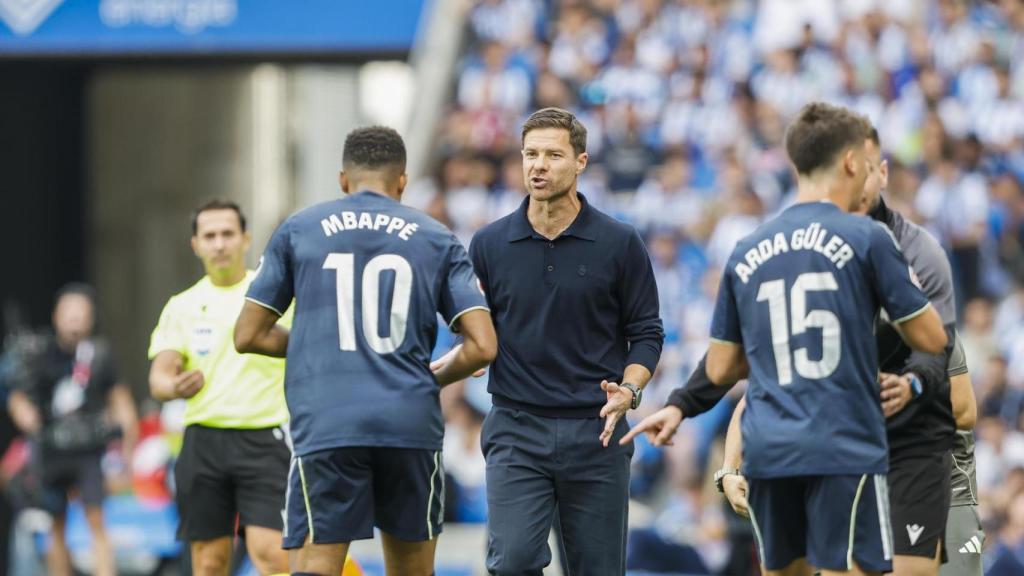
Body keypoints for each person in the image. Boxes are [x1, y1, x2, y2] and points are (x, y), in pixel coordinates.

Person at [626, 127, 983, 576]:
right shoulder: (818, 312)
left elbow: (965, 408)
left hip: (934, 478)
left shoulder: (916, 298)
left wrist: (902, 392)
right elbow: (760, 392)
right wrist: (728, 470)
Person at [234, 126, 496, 576]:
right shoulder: (436, 237)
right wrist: (426, 377)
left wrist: (323, 345)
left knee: (315, 566)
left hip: (329, 422)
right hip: (408, 422)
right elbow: (482, 345)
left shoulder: (299, 229)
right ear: (402, 182)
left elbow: (248, 335)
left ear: (342, 179)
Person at [702, 102, 948, 576]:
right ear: (853, 162)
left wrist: (731, 466)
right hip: (844, 442)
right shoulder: (867, 238)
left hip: (771, 447)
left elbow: (719, 371)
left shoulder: (747, 247)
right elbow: (931, 337)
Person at [437, 107, 664, 575]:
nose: (538, 165)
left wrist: (631, 389)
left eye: (553, 155)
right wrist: (472, 350)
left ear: (580, 162)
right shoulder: (488, 244)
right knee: (513, 562)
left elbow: (646, 331)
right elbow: (474, 326)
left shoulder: (619, 243)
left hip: (597, 431)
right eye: (531, 154)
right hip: (517, 429)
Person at [148, 200, 291, 576]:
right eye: (209, 235)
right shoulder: (182, 306)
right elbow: (159, 376)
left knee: (272, 554)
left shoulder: (274, 296)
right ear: (195, 244)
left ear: (245, 239)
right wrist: (174, 385)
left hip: (266, 438)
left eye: (228, 233)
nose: (219, 243)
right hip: (203, 443)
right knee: (208, 562)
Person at [7, 283, 139, 576]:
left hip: (89, 452)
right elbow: (17, 394)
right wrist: (23, 412)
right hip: (51, 452)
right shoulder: (38, 352)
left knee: (96, 521)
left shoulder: (100, 356)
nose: (75, 319)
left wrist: (128, 454)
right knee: (55, 526)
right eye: (69, 312)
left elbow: (121, 401)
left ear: (92, 317)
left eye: (82, 313)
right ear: (56, 316)